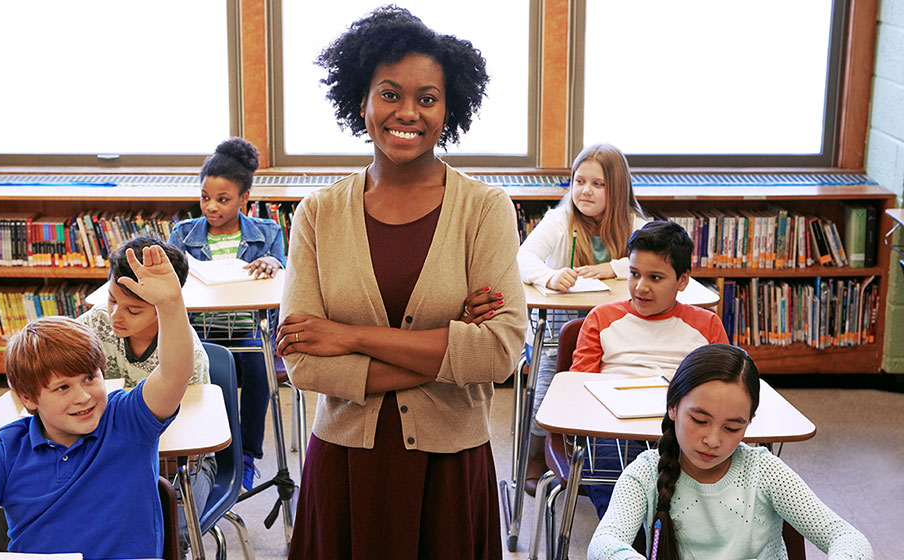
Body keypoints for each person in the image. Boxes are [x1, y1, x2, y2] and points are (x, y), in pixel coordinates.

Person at [275, 6, 527, 558]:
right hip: (346, 461)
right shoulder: (317, 214)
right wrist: (448, 347)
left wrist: (349, 336)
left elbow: (500, 353)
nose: (407, 112)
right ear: (361, 102)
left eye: (427, 98)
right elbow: (304, 362)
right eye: (389, 94)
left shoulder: (485, 210)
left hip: (451, 465)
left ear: (448, 107)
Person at [0, 244, 194, 560]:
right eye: (62, 388)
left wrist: (169, 304)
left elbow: (173, 375)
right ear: (29, 399)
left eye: (90, 378)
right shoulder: (8, 452)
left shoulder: (127, 420)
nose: (83, 396)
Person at [588, 344, 873, 560]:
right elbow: (604, 543)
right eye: (700, 420)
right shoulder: (646, 473)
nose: (713, 440)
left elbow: (846, 536)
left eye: (732, 428)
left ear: (749, 423)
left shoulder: (764, 471)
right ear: (672, 407)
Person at [569, 220, 730, 518]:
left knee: (701, 496)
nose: (640, 287)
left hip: (682, 428)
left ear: (683, 281)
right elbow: (579, 389)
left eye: (655, 277)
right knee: (623, 501)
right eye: (634, 274)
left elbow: (726, 389)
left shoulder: (706, 325)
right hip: (612, 429)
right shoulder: (601, 318)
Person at [518, 143, 648, 495]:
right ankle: (537, 452)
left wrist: (614, 267)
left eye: (598, 184)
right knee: (548, 370)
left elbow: (657, 260)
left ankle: (609, 452)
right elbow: (523, 257)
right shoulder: (560, 219)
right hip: (558, 330)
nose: (585, 191)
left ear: (617, 189)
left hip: (615, 333)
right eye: (579, 181)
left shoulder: (634, 223)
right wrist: (548, 276)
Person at [76, 235, 211, 551]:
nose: (115, 316)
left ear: (162, 307)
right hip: (105, 452)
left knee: (169, 536)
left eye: (133, 310)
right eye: (111, 300)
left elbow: (193, 443)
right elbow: (52, 363)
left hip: (180, 462)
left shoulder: (185, 353)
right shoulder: (97, 323)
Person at [169, 137, 284, 490]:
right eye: (205, 197)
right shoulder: (182, 234)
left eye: (223, 199)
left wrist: (273, 261)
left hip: (248, 329)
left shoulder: (268, 233)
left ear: (244, 199)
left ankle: (245, 456)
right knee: (210, 366)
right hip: (198, 332)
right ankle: (213, 455)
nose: (211, 207)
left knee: (255, 368)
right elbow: (170, 282)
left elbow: (285, 275)